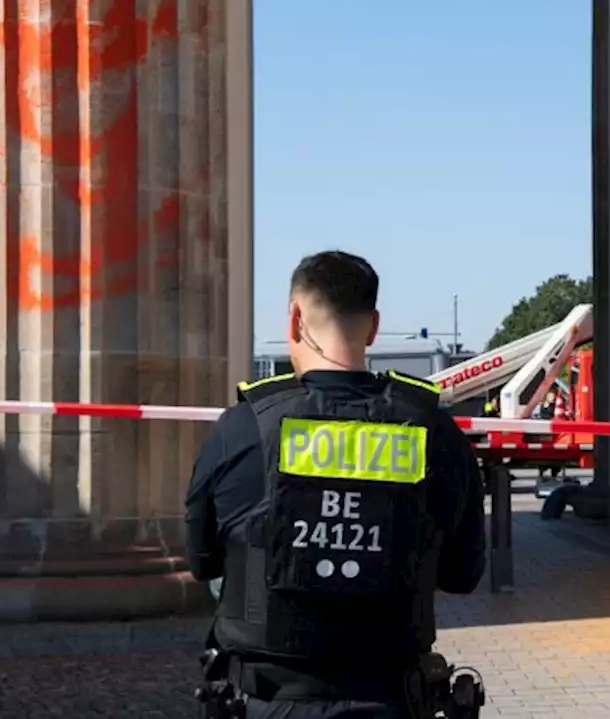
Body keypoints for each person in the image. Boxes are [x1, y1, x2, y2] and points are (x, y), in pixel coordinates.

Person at [185, 250, 487, 718]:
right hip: (390, 699)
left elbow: (201, 560)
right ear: (373, 326)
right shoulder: (434, 432)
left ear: (294, 319)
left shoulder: (243, 428)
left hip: (267, 701)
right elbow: (463, 575)